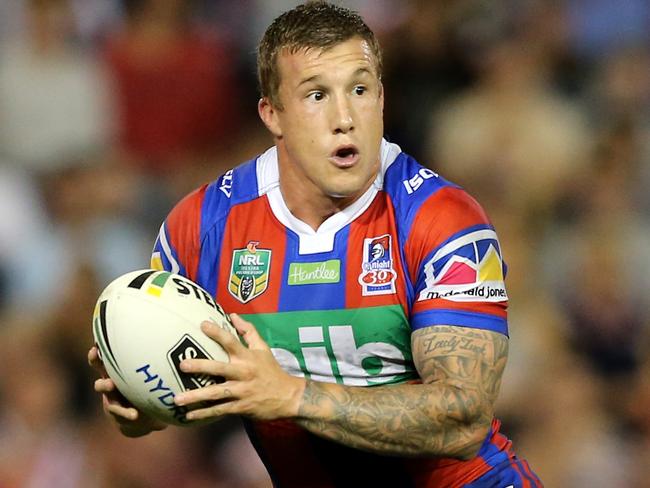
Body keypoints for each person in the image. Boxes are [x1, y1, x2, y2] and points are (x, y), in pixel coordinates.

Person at [89, 2, 542, 486]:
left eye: (360, 89)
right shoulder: (201, 229)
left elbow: (463, 419)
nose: (345, 117)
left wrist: (290, 396)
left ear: (382, 99)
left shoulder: (442, 219)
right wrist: (143, 408)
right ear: (273, 113)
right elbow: (174, 391)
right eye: (317, 95)